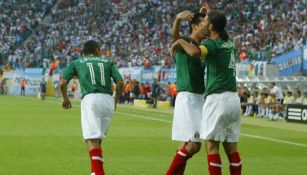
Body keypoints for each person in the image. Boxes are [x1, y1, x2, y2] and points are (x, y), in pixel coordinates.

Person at [171, 11, 242, 175]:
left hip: (217, 99)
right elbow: (179, 37)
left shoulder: (210, 44)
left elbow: (195, 51)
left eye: (206, 22)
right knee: (230, 149)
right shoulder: (229, 43)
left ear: (211, 26)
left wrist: (180, 42)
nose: (204, 24)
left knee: (209, 146)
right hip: (232, 99)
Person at [59, 40, 124, 175]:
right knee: (97, 140)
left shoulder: (77, 62)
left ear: (84, 52)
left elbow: (62, 83)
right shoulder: (108, 62)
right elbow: (120, 83)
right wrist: (116, 101)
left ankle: (98, 172)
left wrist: (66, 99)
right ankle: (95, 172)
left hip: (91, 100)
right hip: (107, 101)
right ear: (96, 50)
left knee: (92, 139)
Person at [166, 11, 206, 175]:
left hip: (197, 97)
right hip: (189, 97)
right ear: (194, 26)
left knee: (186, 145)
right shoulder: (184, 43)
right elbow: (175, 36)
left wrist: (203, 12)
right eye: (203, 23)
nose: (206, 26)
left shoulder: (202, 48)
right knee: (194, 145)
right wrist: (177, 18)